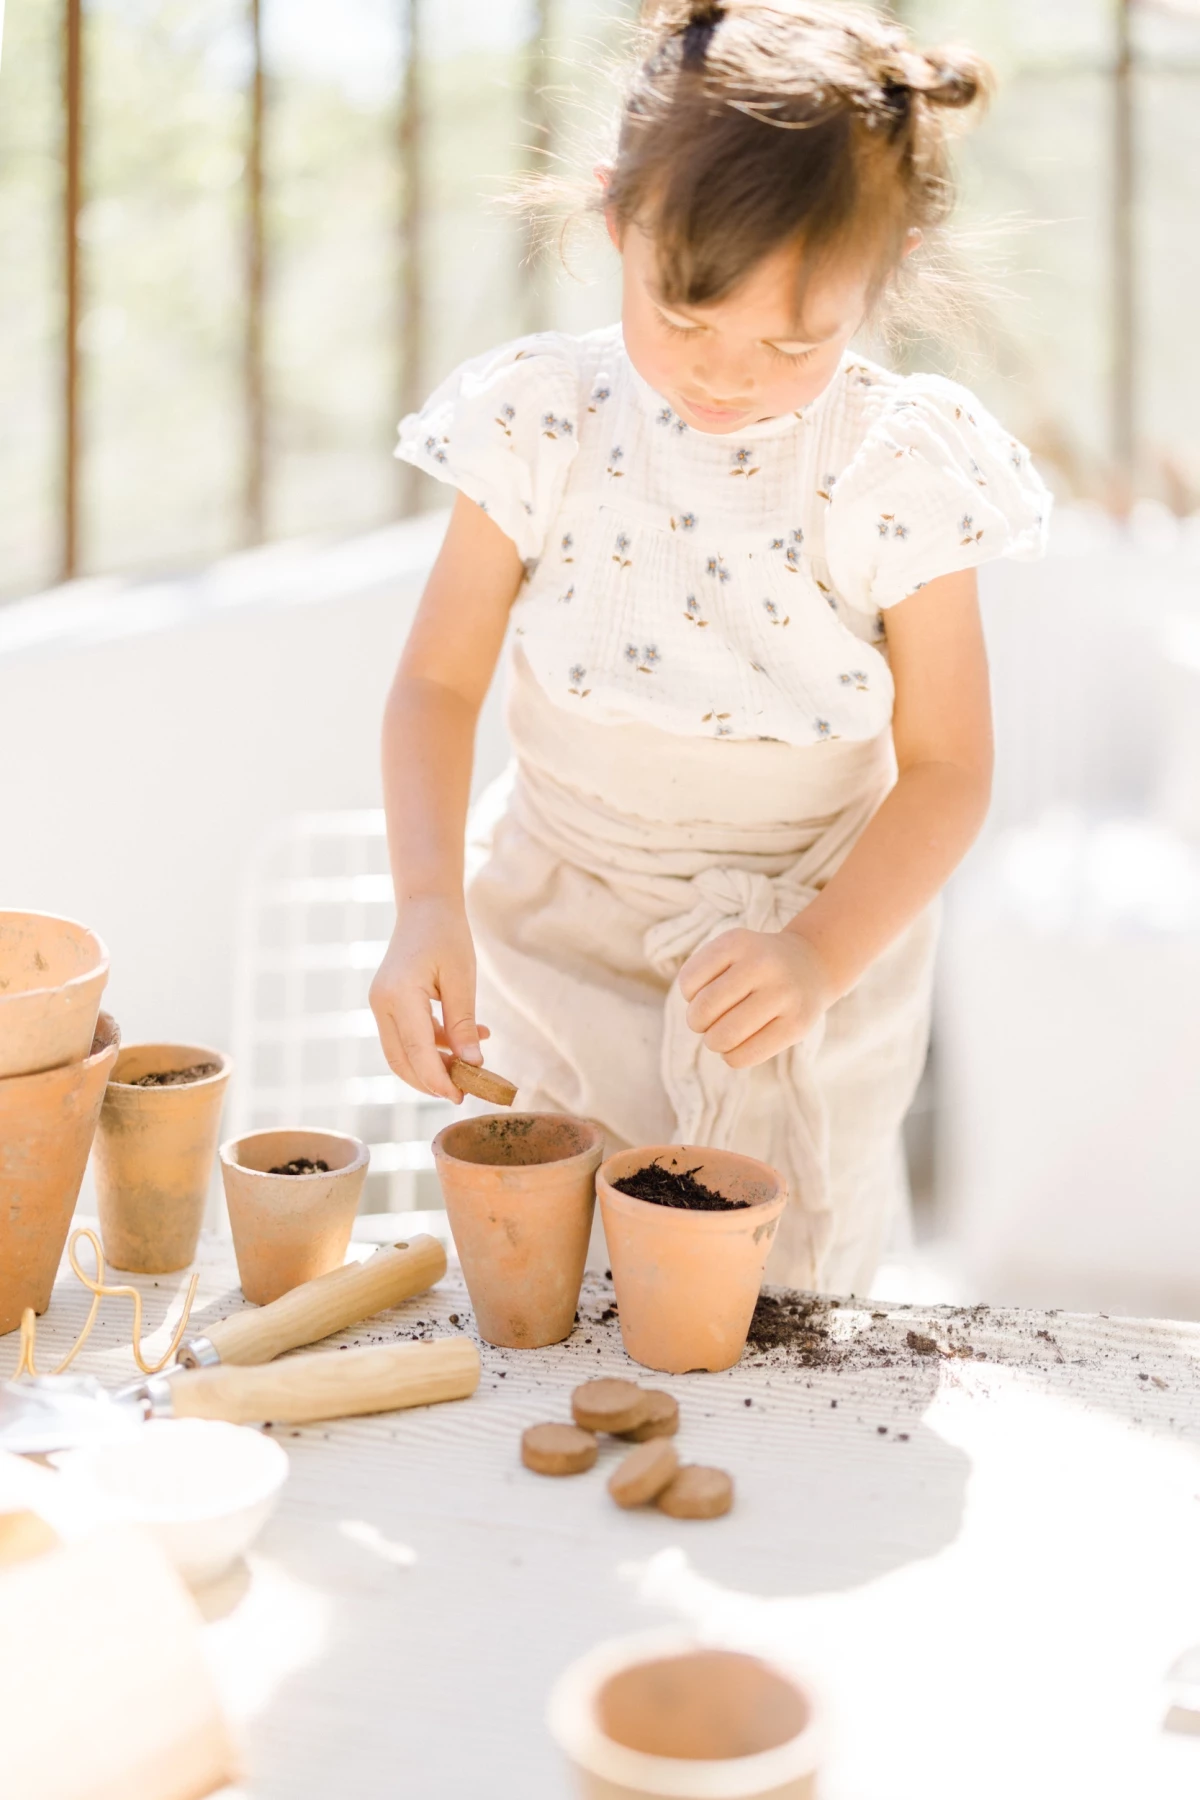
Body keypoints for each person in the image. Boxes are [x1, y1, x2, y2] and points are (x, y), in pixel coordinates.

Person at [370, 0, 1050, 1295]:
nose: (729, 374)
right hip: (561, 927)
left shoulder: (897, 463)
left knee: (775, 1308)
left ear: (888, 272)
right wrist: (423, 907)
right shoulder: (539, 419)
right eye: (684, 316)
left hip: (804, 949)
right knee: (547, 1286)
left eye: (797, 340)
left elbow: (952, 769)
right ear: (616, 217)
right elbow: (436, 682)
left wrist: (820, 953)